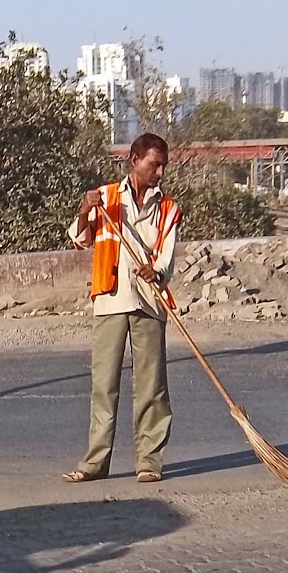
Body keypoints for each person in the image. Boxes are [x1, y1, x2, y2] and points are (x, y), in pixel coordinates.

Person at [64, 133, 181, 484]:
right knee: (105, 384)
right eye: (153, 165)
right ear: (134, 160)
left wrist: (155, 270)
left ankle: (149, 461)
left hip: (148, 300)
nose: (159, 172)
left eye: (162, 166)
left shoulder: (169, 208)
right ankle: (95, 462)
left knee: (151, 385)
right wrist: (85, 210)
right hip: (111, 297)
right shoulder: (106, 198)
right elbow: (79, 238)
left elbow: (167, 257)